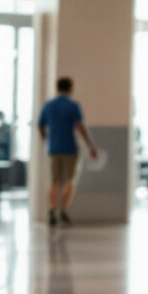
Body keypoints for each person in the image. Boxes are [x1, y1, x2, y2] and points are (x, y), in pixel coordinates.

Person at [35, 77, 98, 226]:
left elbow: (39, 124)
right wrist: (90, 145)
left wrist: (45, 138)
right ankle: (62, 209)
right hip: (69, 148)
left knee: (54, 181)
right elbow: (80, 127)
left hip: (53, 148)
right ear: (70, 88)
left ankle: (52, 208)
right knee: (70, 181)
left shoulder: (48, 105)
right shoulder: (72, 105)